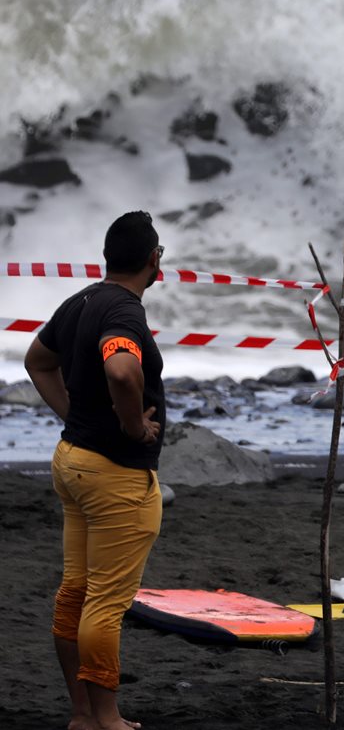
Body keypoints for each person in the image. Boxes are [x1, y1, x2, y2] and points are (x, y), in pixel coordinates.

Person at [25, 211, 166, 730]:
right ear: (153, 260)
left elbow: (37, 360)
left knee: (76, 592)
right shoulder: (124, 312)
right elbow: (122, 368)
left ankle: (82, 714)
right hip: (115, 474)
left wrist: (75, 416)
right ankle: (107, 719)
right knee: (105, 603)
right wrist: (131, 426)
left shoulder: (81, 300)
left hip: (73, 463)